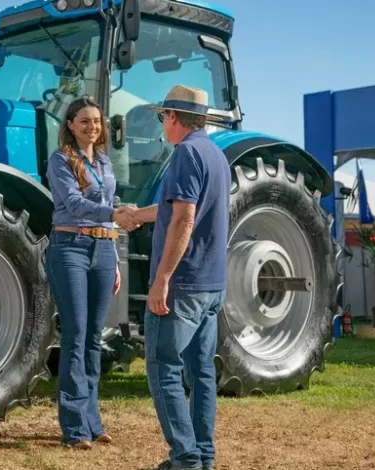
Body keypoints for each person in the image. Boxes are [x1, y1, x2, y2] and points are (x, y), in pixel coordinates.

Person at [130, 85, 231, 470]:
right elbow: (179, 208)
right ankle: (203, 456)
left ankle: (186, 458)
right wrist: (138, 215)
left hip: (183, 285)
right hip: (210, 285)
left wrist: (162, 278)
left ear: (172, 117)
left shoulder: (185, 154)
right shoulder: (215, 156)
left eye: (162, 118)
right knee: (201, 373)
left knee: (162, 367)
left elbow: (185, 218)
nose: (162, 125)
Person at [45, 96, 139, 450]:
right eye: (84, 121)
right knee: (75, 334)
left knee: (94, 338)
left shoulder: (103, 161)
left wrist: (113, 256)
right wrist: (114, 213)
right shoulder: (61, 160)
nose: (92, 127)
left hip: (102, 249)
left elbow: (105, 209)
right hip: (70, 248)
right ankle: (74, 428)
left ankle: (92, 421)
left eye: (97, 121)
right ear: (70, 125)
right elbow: (71, 204)